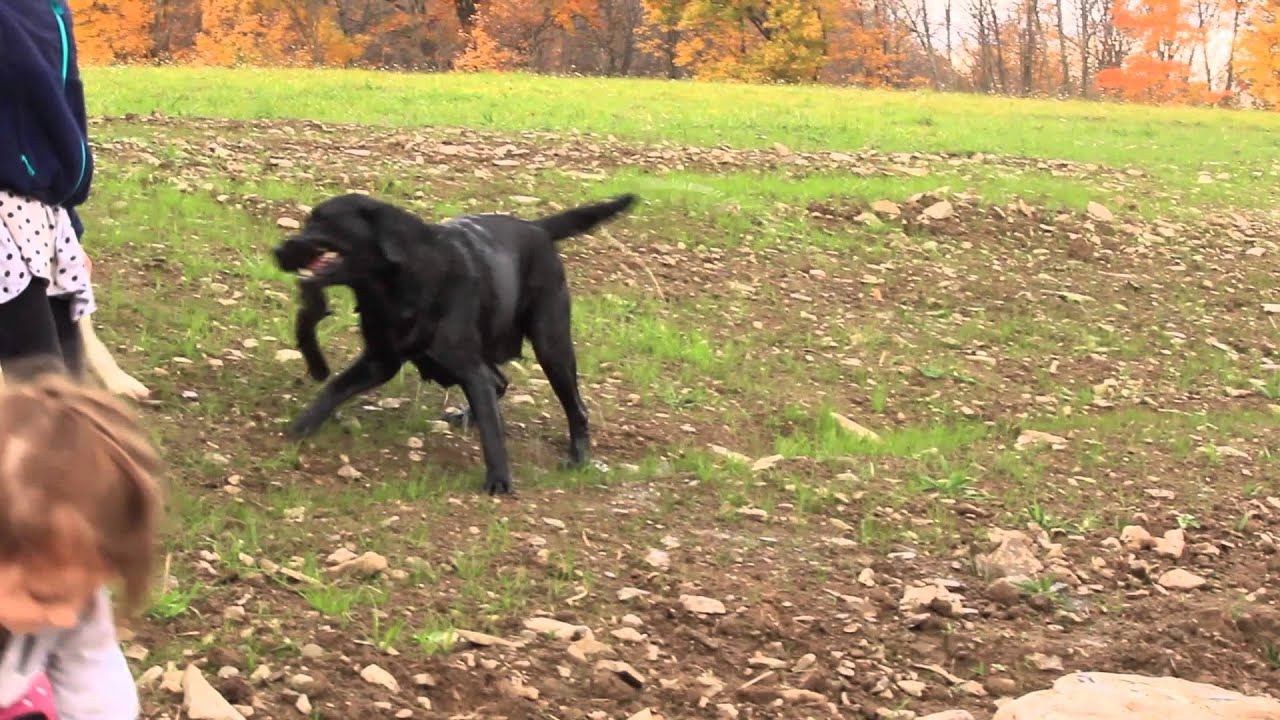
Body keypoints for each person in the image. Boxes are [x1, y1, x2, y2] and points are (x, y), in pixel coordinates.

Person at [0, 371, 164, 720]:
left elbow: (95, 672)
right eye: (44, 595)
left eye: (89, 591)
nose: (66, 616)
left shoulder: (69, 590)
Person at [0, 0, 98, 379]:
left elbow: (65, 116)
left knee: (69, 388)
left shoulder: (52, 10)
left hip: (42, 216)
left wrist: (70, 228)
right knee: (46, 388)